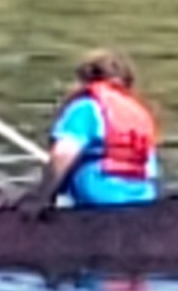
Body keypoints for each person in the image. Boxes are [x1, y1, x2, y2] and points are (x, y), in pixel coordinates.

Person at [33, 48, 160, 209]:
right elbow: (151, 172)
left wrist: (41, 197)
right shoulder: (140, 114)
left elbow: (63, 153)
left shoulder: (87, 107)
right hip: (143, 199)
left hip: (98, 200)